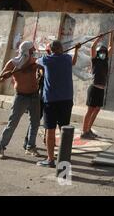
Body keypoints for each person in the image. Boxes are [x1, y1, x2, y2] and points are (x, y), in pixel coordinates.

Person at [36, 40, 80, 168]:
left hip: (51, 101)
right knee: (64, 130)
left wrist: (49, 53)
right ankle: (64, 158)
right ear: (61, 49)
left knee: (50, 131)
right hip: (66, 100)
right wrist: (76, 50)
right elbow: (73, 62)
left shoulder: (46, 60)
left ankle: (50, 159)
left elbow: (35, 62)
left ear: (50, 50)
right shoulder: (67, 58)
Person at [0, 42, 41, 159]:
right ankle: (0, 148)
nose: (34, 52)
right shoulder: (13, 63)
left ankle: (30, 147)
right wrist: (5, 74)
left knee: (35, 123)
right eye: (32, 50)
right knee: (12, 123)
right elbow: (0, 79)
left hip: (34, 96)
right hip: (21, 97)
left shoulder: (35, 62)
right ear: (26, 50)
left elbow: (45, 66)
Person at [81, 32, 114, 139]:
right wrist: (98, 38)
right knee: (90, 110)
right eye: (101, 52)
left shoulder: (105, 60)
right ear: (98, 53)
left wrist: (111, 34)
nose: (103, 53)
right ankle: (84, 131)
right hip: (94, 88)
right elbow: (92, 47)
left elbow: (111, 47)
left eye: (104, 52)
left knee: (97, 110)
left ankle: (88, 129)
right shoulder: (95, 60)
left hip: (101, 89)